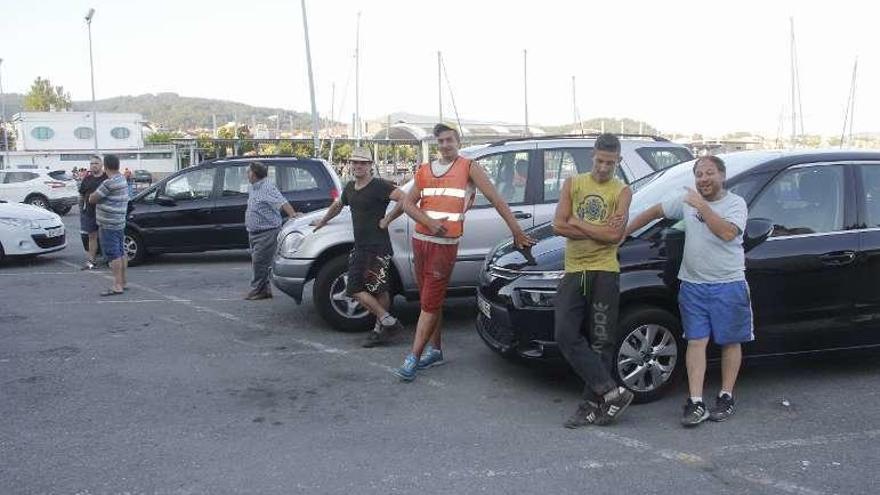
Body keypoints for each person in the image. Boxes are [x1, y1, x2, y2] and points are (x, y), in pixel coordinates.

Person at [392, 123, 536, 381]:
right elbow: (407, 203)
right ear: (436, 144)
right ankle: (435, 350)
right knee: (430, 300)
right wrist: (428, 221)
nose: (446, 145)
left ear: (458, 141)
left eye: (449, 140)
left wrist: (516, 230)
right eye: (441, 141)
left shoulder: (469, 167)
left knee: (429, 301)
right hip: (420, 240)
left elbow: (496, 199)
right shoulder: (425, 170)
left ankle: (413, 357)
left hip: (444, 246)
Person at [626, 155, 751, 427]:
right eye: (699, 174)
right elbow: (655, 211)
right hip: (693, 284)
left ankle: (726, 396)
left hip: (727, 284)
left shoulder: (735, 204)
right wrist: (624, 234)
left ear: (722, 175)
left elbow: (728, 233)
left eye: (709, 173)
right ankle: (696, 402)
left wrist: (701, 207)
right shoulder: (687, 200)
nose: (703, 179)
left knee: (730, 340)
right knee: (695, 341)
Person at [551, 133, 634, 428]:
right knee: (564, 333)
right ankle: (611, 392)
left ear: (618, 161)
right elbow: (558, 224)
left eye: (609, 163)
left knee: (601, 340)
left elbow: (614, 236)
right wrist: (591, 229)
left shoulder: (622, 191)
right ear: (592, 156)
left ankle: (590, 404)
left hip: (604, 270)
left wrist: (578, 222)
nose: (603, 167)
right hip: (575, 270)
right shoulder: (573, 183)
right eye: (599, 160)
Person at [311, 147, 407, 347]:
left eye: (362, 163)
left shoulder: (380, 186)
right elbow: (338, 205)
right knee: (354, 288)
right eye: (355, 162)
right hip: (361, 246)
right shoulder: (350, 188)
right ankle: (389, 321)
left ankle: (379, 330)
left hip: (379, 247)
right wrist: (322, 221)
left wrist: (388, 218)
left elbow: (405, 198)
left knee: (379, 290)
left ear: (370, 166)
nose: (358, 166)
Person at [244, 161, 301, 300]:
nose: (247, 174)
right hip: (255, 233)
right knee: (259, 262)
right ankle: (265, 290)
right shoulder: (253, 187)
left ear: (255, 174)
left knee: (259, 263)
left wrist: (292, 214)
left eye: (249, 171)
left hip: (267, 232)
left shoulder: (267, 187)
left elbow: (282, 201)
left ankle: (256, 289)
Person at [88, 155, 129, 296]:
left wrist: (92, 195)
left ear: (105, 166)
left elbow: (92, 199)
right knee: (121, 252)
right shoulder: (122, 179)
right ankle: (123, 282)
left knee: (113, 255)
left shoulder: (109, 183)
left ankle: (117, 285)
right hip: (119, 222)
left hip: (108, 224)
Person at [78, 156, 108, 270]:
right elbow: (81, 196)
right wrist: (82, 210)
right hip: (90, 213)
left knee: (106, 237)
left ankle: (110, 259)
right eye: (91, 164)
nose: (93, 165)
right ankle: (91, 260)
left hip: (105, 213)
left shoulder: (107, 178)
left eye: (96, 163)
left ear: (101, 165)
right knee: (92, 237)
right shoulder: (87, 179)